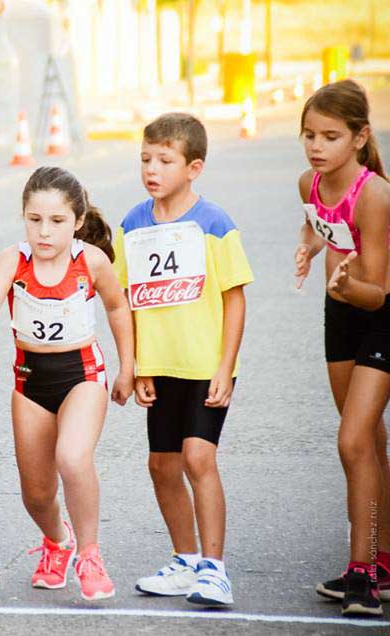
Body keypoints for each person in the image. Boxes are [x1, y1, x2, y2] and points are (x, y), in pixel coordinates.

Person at [0, 166, 134, 600]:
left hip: (82, 375)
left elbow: (118, 308)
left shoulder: (90, 260)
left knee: (72, 457)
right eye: (34, 219)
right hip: (30, 381)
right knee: (37, 494)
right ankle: (57, 542)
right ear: (23, 217)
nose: (44, 232)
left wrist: (127, 366)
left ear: (77, 221)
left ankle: (90, 555)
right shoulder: (13, 260)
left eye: (57, 221)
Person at [112, 113, 253, 607]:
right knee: (162, 464)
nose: (152, 168)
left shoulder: (214, 224)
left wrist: (225, 367)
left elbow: (235, 298)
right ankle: (185, 560)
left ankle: (215, 570)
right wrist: (136, 365)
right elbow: (126, 299)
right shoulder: (131, 224)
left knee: (198, 457)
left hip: (205, 366)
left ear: (193, 167)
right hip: (161, 366)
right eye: (146, 158)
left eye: (165, 160)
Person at [294, 80, 390, 617]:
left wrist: (346, 287)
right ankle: (385, 557)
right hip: (341, 314)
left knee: (352, 442)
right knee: (370, 442)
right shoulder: (309, 182)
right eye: (309, 134)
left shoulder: (375, 194)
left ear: (359, 138)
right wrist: (309, 247)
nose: (316, 146)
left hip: (379, 310)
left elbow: (375, 291)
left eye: (331, 136)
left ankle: (363, 574)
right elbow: (317, 221)